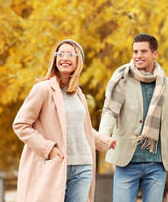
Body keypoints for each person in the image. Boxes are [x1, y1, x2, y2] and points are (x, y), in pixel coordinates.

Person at [13, 39, 116, 202]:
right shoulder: (43, 89)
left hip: (83, 166)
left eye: (70, 54)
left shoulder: (78, 94)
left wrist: (106, 142)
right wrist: (49, 149)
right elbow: (21, 125)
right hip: (56, 164)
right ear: (55, 59)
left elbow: (82, 129)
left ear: (78, 61)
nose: (64, 58)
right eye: (60, 54)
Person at [98, 33, 168, 202]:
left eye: (143, 51)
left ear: (155, 54)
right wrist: (103, 137)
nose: (138, 56)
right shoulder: (122, 79)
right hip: (126, 161)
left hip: (157, 164)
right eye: (135, 51)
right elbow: (110, 111)